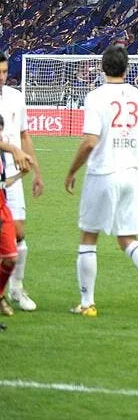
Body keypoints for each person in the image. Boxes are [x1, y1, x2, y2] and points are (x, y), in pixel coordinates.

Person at [64, 44, 138, 318]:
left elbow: (90, 141)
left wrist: (71, 171)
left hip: (103, 173)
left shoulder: (96, 97)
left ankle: (87, 303)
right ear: (127, 68)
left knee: (89, 237)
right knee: (128, 239)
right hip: (130, 175)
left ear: (102, 68)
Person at [0, 52, 41, 314]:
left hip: (12, 176)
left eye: (4, 72)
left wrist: (36, 169)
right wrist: (12, 148)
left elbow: (25, 135)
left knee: (19, 235)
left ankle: (16, 288)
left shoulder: (15, 97)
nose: (2, 78)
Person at [0, 121, 33, 323]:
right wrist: (13, 148)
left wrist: (22, 174)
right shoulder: (7, 149)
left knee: (11, 257)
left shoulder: (2, 156)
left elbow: (2, 183)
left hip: (2, 206)